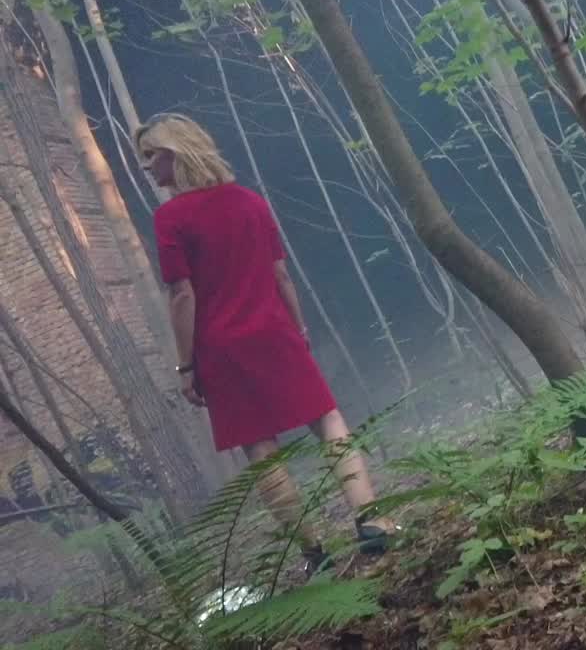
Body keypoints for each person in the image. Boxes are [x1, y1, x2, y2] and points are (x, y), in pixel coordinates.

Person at [135, 112, 394, 575]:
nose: (146, 168)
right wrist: (298, 329)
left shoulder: (170, 218)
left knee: (261, 450)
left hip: (221, 349)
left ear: (176, 153)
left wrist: (186, 365)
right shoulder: (250, 202)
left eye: (151, 156)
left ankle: (316, 555)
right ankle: (370, 520)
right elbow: (280, 274)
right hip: (275, 332)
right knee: (327, 419)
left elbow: (182, 294)